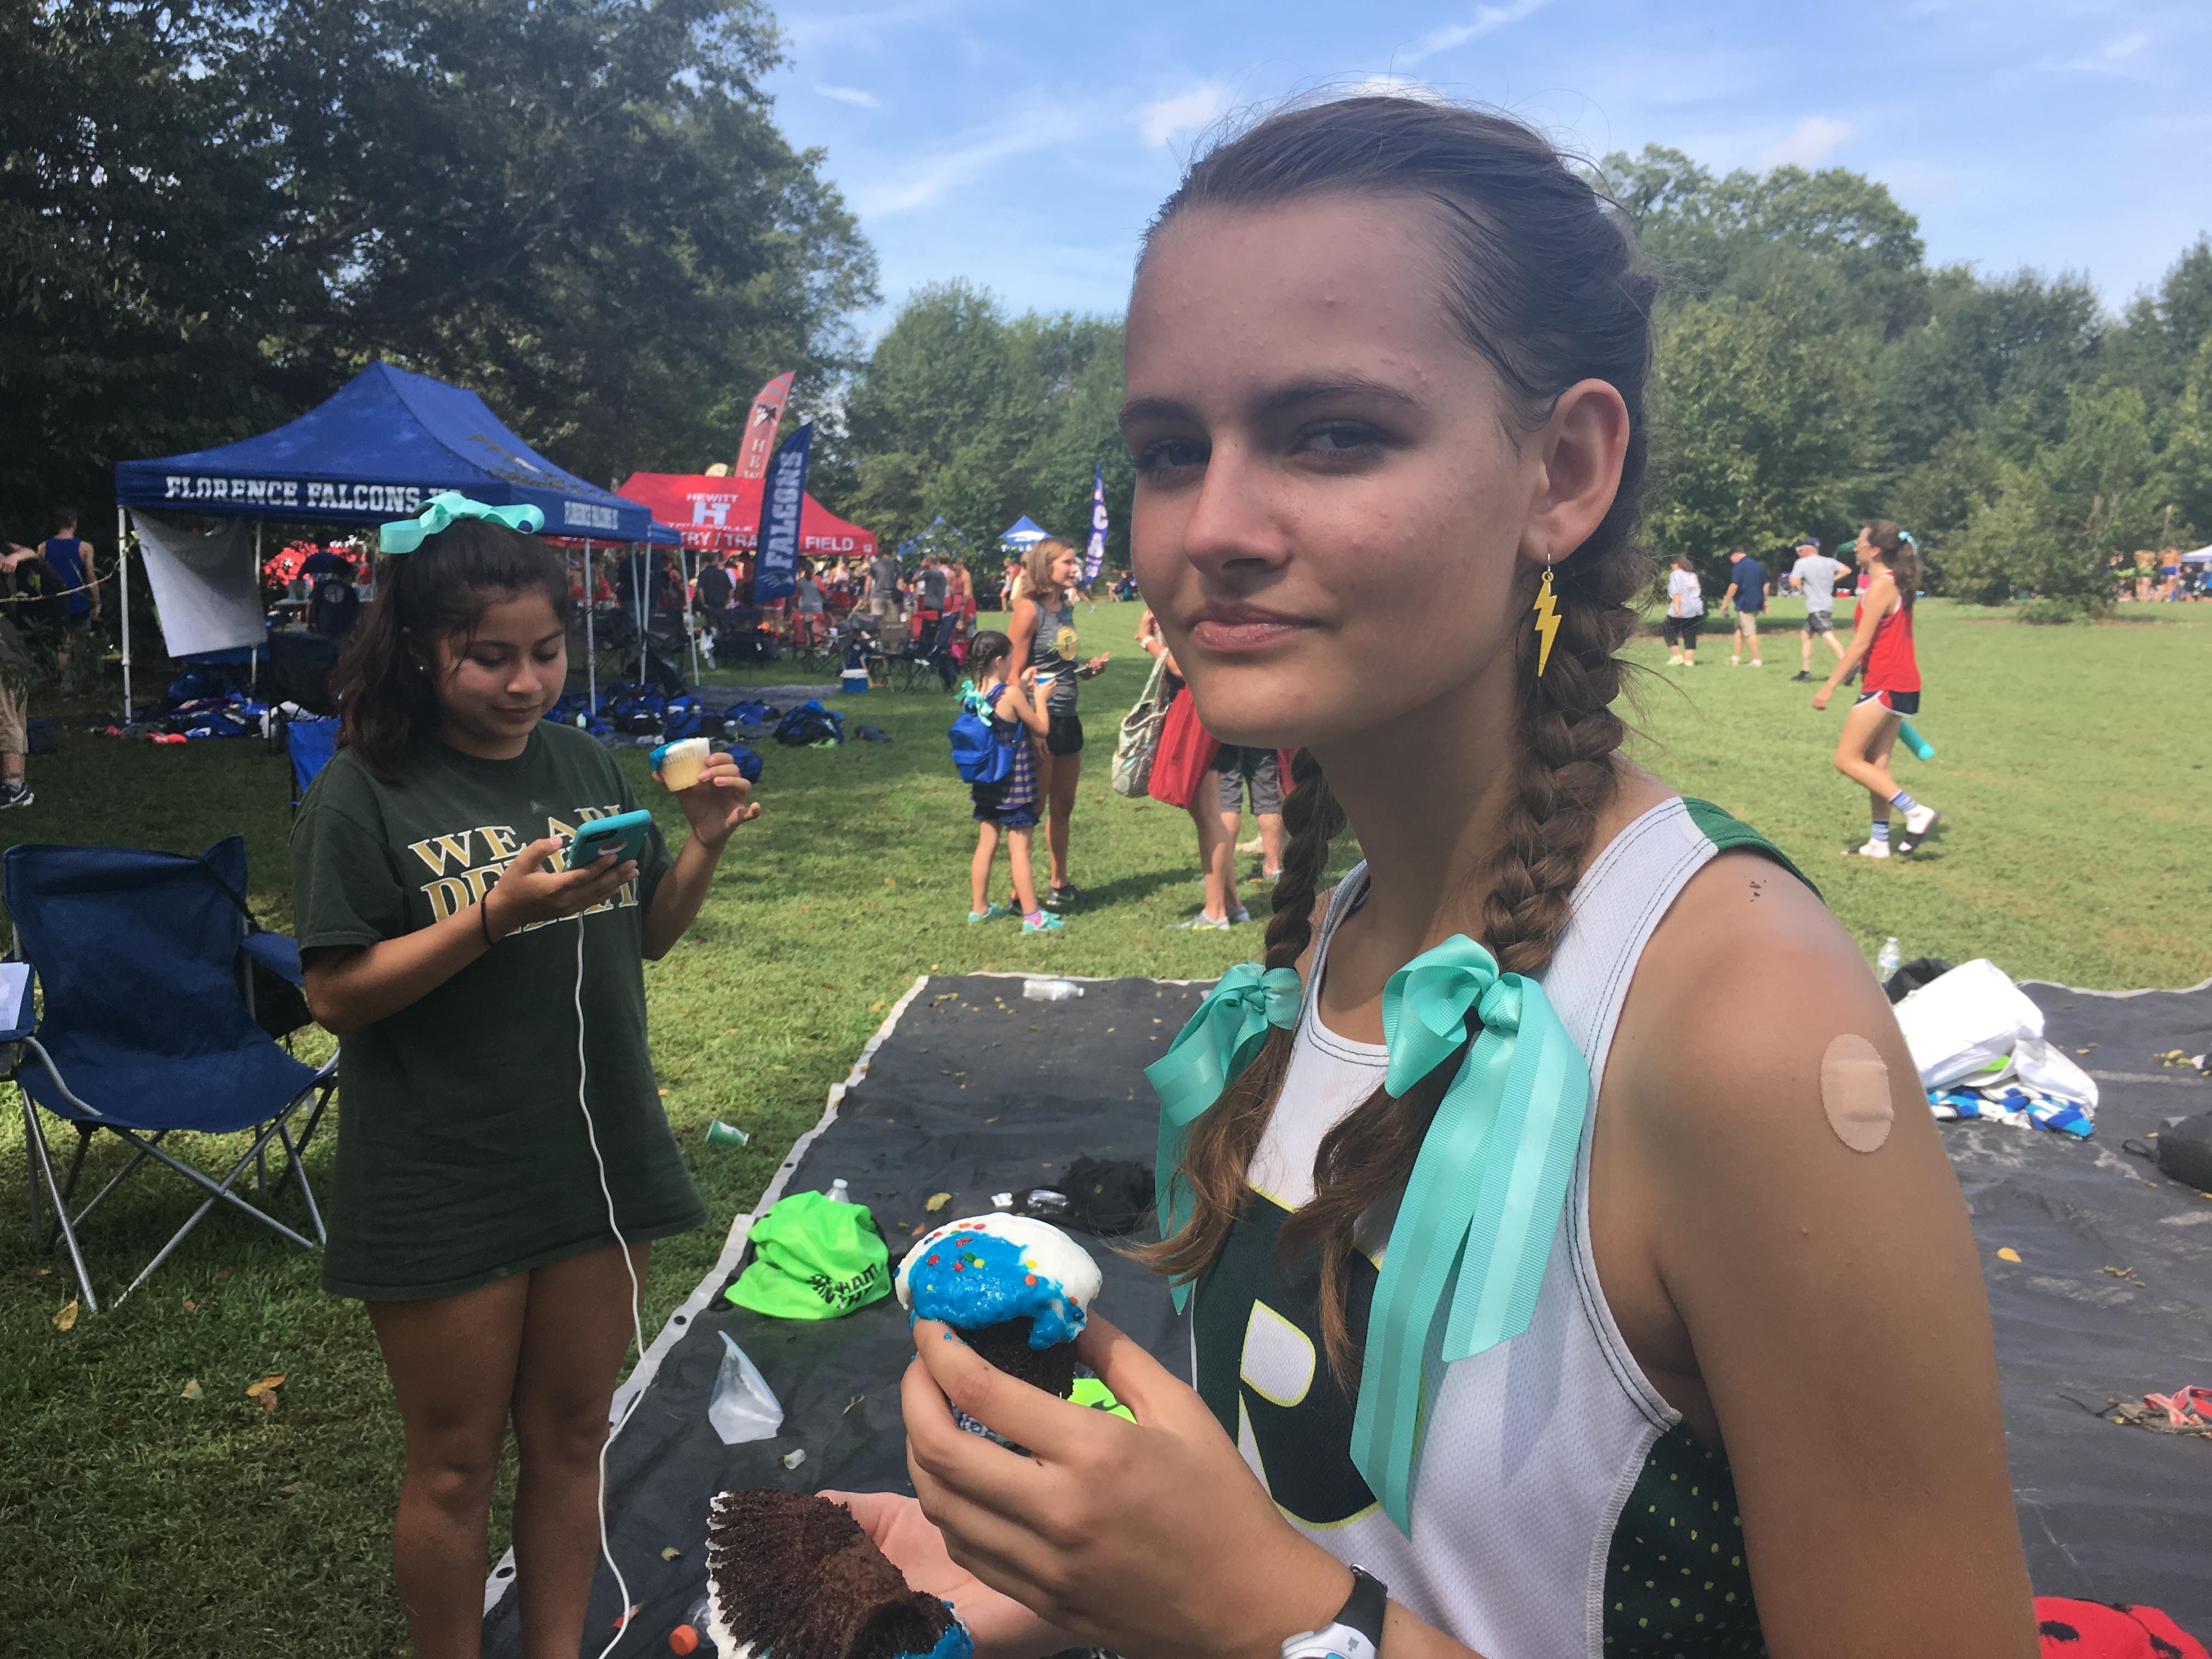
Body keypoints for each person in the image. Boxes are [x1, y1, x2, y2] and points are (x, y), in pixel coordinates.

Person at [833, 94, 2035, 1659]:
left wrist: (1259, 1616)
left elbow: (1290, 1604)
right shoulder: (1334, 935)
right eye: (1170, 450)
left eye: (1333, 432)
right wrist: (1053, 1573)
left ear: (1563, 470)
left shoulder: (1740, 1023)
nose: (1214, 526)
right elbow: (1353, 1543)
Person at [290, 503, 760, 1659]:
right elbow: (335, 993)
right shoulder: (365, 788)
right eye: (488, 657)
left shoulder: (581, 762)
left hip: (593, 1160)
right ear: (420, 648)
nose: (523, 683)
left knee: (573, 1437)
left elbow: (643, 936)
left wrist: (702, 843)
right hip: (445, 1169)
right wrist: (491, 916)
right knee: (454, 1464)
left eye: (544, 653)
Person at [1815, 521, 1941, 858]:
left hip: (1886, 684)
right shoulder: (1893, 583)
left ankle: (1915, 811)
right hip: (1900, 684)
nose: (1855, 547)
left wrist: (1829, 686)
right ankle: (1879, 842)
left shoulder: (1882, 586)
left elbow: (1860, 643)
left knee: (1846, 759)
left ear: (1874, 550)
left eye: (1860, 542)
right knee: (1876, 766)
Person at [1005, 538, 1109, 910]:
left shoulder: (1065, 608)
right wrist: (1032, 727)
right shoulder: (1027, 611)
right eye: (1067, 562)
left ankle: (1059, 884)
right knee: (1033, 808)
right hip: (1040, 722)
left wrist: (1088, 671)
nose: (1075, 568)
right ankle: (1020, 894)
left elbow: (1061, 666)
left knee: (1064, 805)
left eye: (1074, 561)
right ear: (1046, 567)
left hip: (1068, 717)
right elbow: (1012, 675)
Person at [1138, 607, 1237, 930]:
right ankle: (1232, 904)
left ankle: (1215, 913)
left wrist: (1147, 640)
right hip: (1212, 710)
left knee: (1208, 816)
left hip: (1200, 717)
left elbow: (1180, 666)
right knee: (1207, 814)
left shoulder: (1200, 613)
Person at [961, 631, 1063, 935]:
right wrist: (1041, 698)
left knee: (986, 844)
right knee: (1020, 849)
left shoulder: (973, 692)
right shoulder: (1011, 695)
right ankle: (1033, 916)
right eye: (1010, 661)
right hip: (1014, 783)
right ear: (999, 661)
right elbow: (1041, 729)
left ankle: (979, 909)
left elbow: (1001, 715)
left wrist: (1022, 685)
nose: (1012, 666)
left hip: (986, 780)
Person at [41, 510, 99, 693]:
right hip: (79, 601)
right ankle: (81, 679)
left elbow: (42, 576)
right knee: (81, 641)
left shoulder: (43, 547)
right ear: (74, 523)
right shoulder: (85, 547)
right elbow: (90, 575)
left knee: (62, 644)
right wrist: (96, 601)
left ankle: (66, 684)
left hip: (56, 601)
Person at [1787, 537, 1850, 682]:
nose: (1800, 553)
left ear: (1807, 549)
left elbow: (1793, 581)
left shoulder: (1802, 563)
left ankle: (1849, 665)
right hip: (1826, 604)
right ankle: (1805, 672)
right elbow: (1847, 570)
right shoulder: (1829, 562)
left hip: (1816, 607)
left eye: (1801, 550)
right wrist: (1832, 580)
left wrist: (1800, 588)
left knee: (1827, 635)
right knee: (1805, 634)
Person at [1720, 545, 1765, 666]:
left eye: (1731, 557)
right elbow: (1765, 584)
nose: (1731, 561)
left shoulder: (1739, 566)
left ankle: (1756, 660)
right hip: (1756, 602)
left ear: (1735, 554)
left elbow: (1734, 586)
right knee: (1739, 630)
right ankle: (1736, 658)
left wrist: (1725, 603)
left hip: (1745, 603)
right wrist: (1765, 602)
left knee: (1750, 632)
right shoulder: (1756, 565)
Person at [1662, 552, 1702, 666]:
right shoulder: (1692, 575)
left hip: (1682, 606)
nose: (1671, 566)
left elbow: (1677, 593)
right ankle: (1689, 660)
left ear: (1677, 564)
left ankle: (1677, 657)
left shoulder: (1676, 574)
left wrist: (1677, 609)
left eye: (1673, 563)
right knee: (1690, 632)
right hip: (1695, 607)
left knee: (1668, 630)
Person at [866, 546, 906, 625]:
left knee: (877, 624)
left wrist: (866, 597)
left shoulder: (874, 566)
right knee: (893, 625)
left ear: (882, 555)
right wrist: (902, 603)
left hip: (877, 597)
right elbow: (901, 585)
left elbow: (868, 583)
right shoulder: (896, 566)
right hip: (892, 598)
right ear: (891, 555)